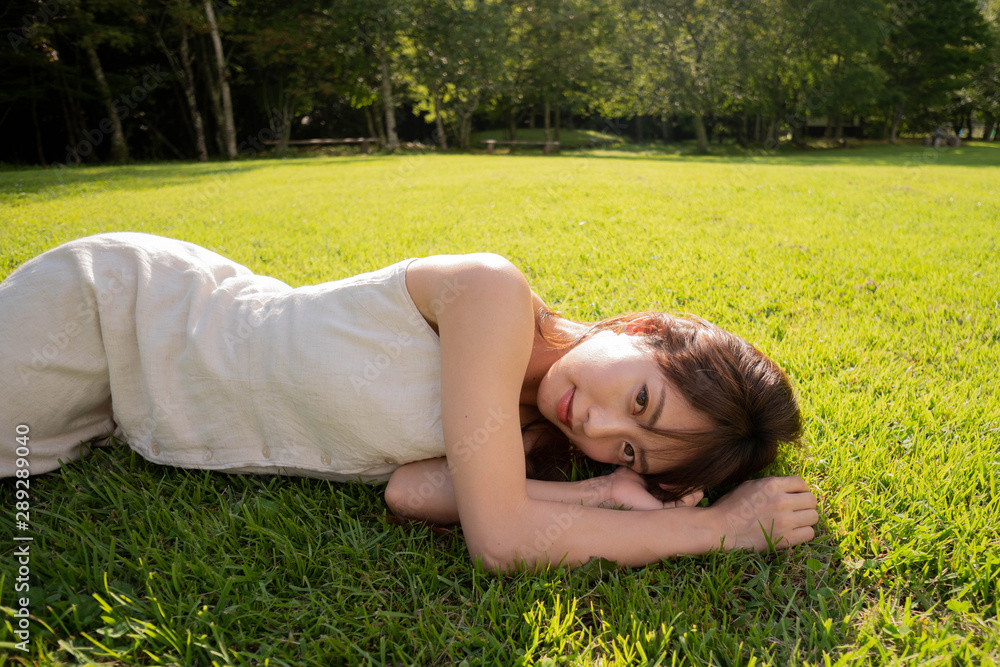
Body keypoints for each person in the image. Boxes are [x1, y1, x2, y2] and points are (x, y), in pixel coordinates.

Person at [0, 232, 818, 570]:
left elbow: (412, 492)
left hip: (132, 409)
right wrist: (713, 528)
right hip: (122, 317)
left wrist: (597, 491)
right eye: (639, 398)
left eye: (634, 450)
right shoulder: (493, 297)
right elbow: (499, 541)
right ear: (642, 327)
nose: (600, 427)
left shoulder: (530, 432)